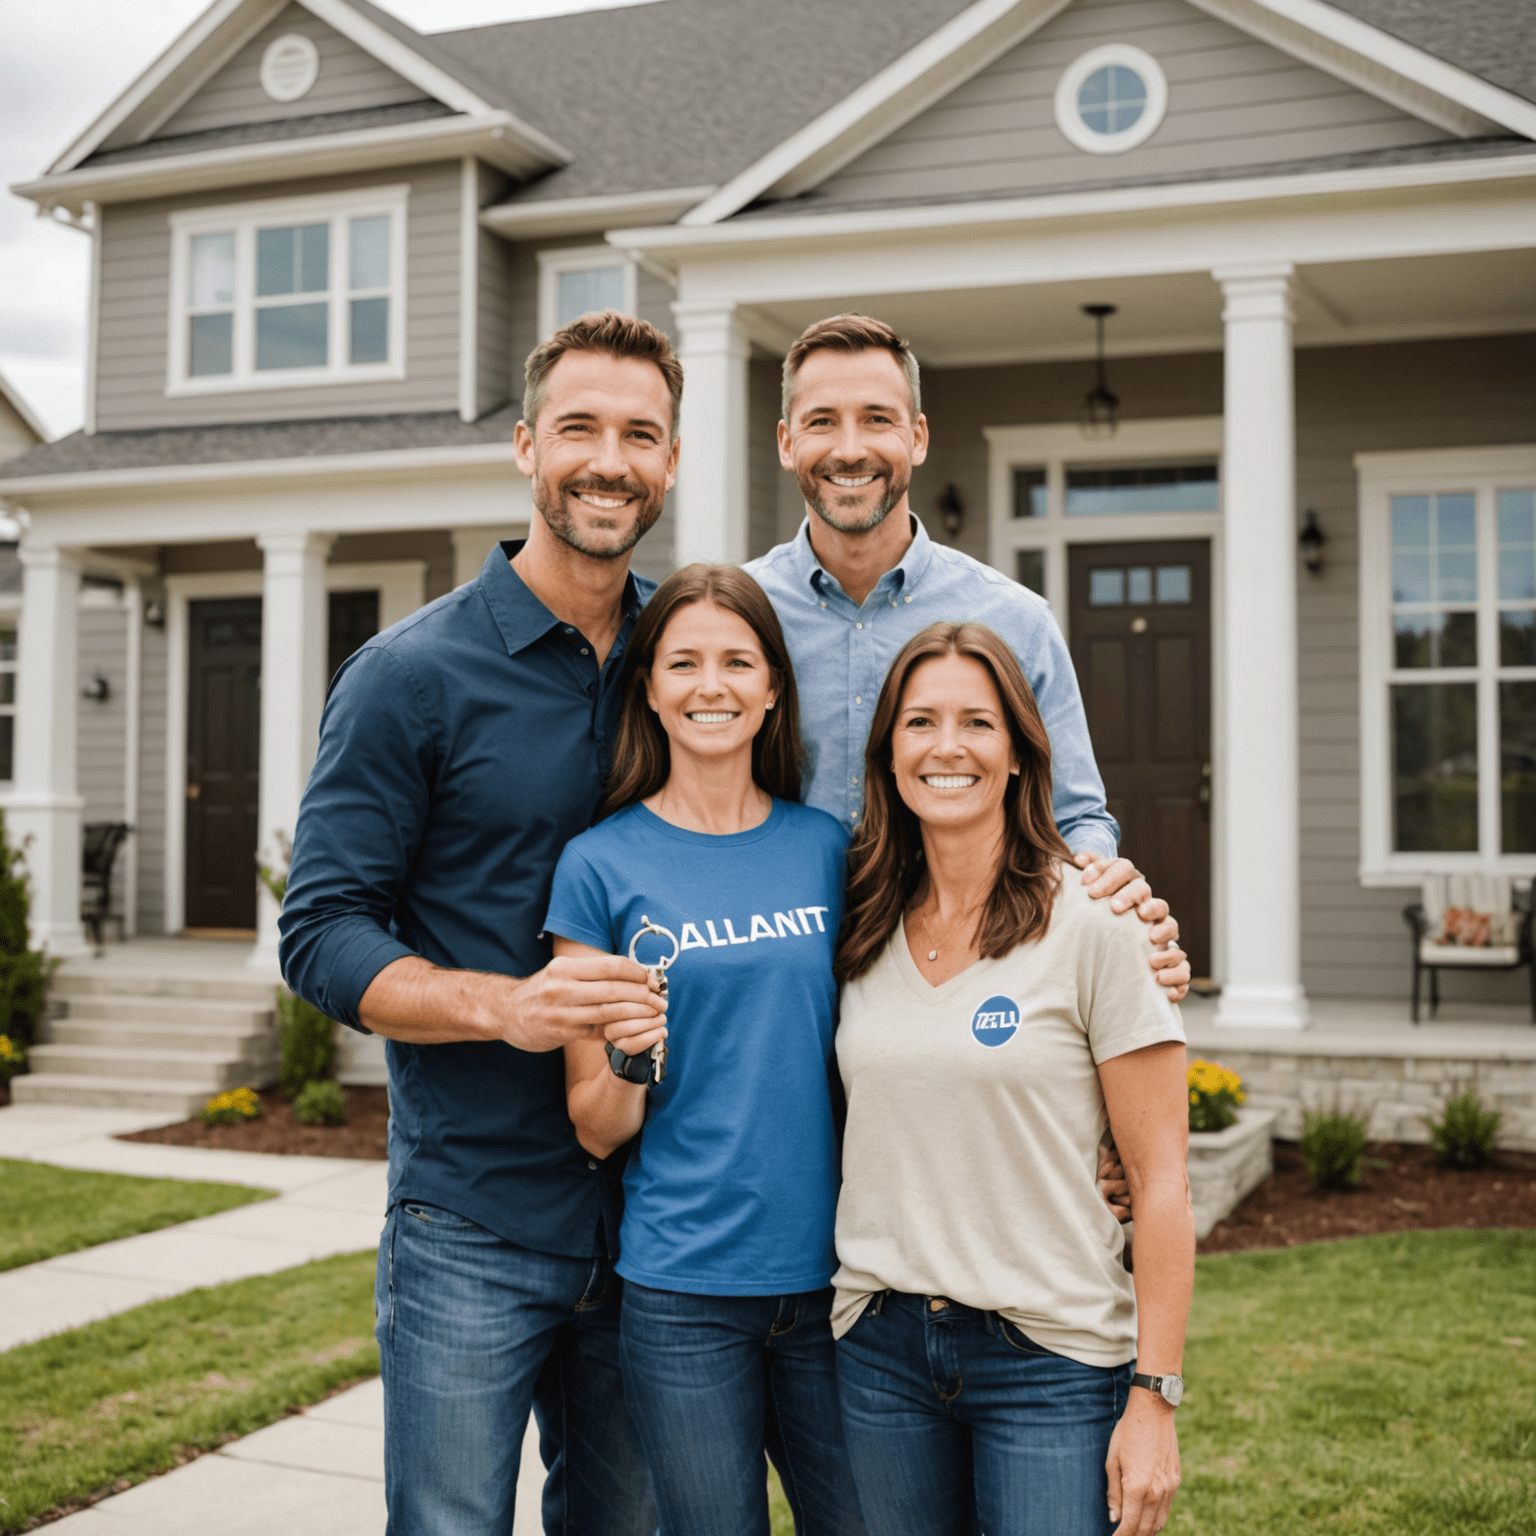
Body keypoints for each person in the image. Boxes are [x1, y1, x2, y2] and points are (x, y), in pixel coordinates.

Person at [278, 312, 683, 1535]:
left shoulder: (692, 659)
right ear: (524, 447)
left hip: (660, 1219)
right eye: (580, 428)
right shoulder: (411, 676)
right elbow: (323, 930)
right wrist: (502, 1006)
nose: (608, 459)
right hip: (472, 1217)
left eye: (640, 434)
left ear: (669, 463)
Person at [829, 621, 1194, 1536]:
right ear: (888, 754)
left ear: (1023, 754)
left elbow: (1161, 1182)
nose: (947, 747)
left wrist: (1155, 1397)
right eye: (919, 723)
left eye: (977, 723)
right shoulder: (859, 928)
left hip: (1052, 1359)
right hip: (880, 1349)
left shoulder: (1097, 924)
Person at [544, 564, 867, 1536]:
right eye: (682, 662)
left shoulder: (832, 850)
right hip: (683, 1293)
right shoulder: (599, 865)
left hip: (838, 1282)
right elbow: (595, 1129)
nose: (710, 685)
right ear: (649, 686)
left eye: (736, 660)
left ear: (773, 685)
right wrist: (635, 1059)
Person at [744, 314, 1189, 1005]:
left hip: (955, 986)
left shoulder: (1012, 620)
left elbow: (1075, 821)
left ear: (918, 438)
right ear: (786, 441)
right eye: (822, 421)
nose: (850, 447)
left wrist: (1119, 925)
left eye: (878, 419)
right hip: (777, 982)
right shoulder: (740, 619)